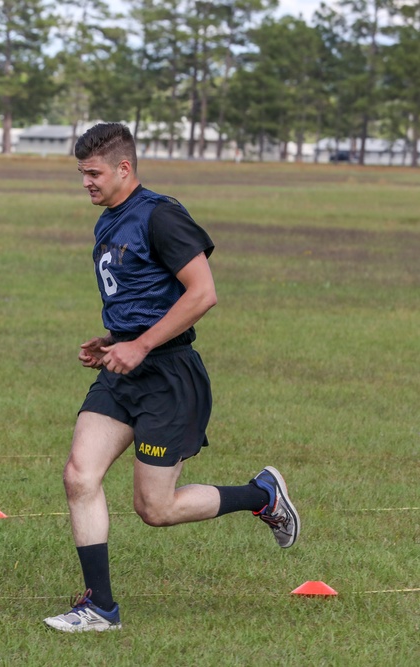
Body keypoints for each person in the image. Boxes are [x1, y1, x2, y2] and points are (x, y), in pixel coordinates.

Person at [43, 123, 300, 633]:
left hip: (169, 377)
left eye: (93, 173)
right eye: (81, 174)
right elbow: (140, 297)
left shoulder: (161, 215)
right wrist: (113, 340)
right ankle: (100, 608)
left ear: (125, 168)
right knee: (79, 474)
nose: (86, 183)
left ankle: (262, 495)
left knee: (154, 509)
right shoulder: (108, 221)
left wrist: (140, 344)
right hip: (125, 370)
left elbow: (202, 293)